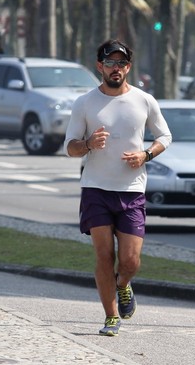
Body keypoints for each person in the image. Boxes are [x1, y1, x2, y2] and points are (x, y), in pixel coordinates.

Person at [64, 39, 172, 336]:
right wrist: (87, 144)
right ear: (100, 66)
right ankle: (111, 316)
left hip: (132, 190)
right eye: (110, 63)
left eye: (121, 63)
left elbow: (165, 136)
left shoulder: (144, 100)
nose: (116, 68)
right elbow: (69, 147)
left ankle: (123, 285)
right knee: (103, 256)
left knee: (130, 260)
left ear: (129, 67)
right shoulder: (84, 102)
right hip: (96, 188)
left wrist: (146, 154)